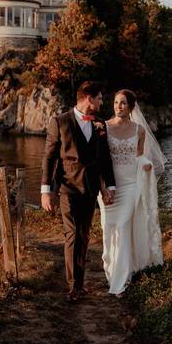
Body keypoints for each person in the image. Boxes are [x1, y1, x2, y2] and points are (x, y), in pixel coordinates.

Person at [41, 81, 116, 302]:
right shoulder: (60, 122)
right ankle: (73, 287)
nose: (103, 102)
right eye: (100, 99)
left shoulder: (100, 124)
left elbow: (105, 159)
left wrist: (109, 186)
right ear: (89, 99)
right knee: (72, 233)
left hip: (91, 188)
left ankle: (80, 284)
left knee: (83, 235)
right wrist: (46, 191)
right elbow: (49, 158)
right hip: (67, 188)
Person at [98, 89, 166, 295]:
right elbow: (100, 160)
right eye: (116, 102)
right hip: (109, 187)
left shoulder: (139, 130)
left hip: (129, 186)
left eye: (123, 103)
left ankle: (121, 280)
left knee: (123, 226)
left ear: (130, 107)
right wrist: (102, 186)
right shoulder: (103, 129)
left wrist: (146, 163)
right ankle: (111, 270)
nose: (119, 106)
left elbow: (138, 155)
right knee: (109, 229)